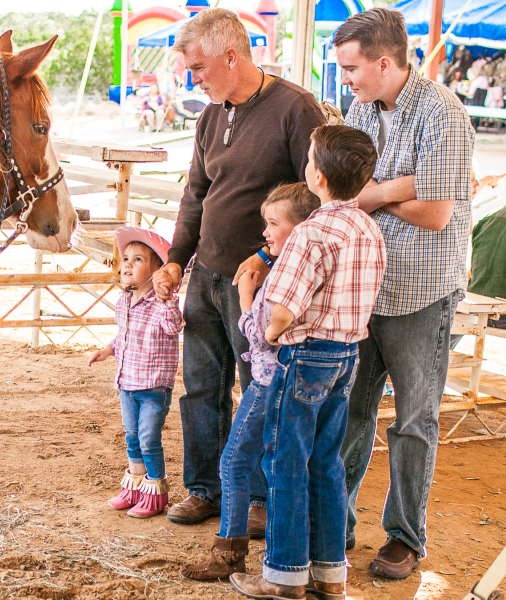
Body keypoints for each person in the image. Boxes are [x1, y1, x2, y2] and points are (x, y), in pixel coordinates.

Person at [152, 7, 326, 527]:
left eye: (199, 68)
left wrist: (270, 256)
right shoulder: (210, 115)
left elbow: (316, 200)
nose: (194, 79)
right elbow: (195, 195)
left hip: (261, 282)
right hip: (206, 274)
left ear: (232, 56)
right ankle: (205, 488)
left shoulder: (297, 109)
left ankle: (258, 498)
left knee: (260, 388)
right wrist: (177, 259)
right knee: (202, 386)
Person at [334, 8, 475, 579]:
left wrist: (376, 194)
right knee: (350, 412)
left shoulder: (445, 112)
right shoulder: (359, 109)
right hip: (366, 285)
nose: (345, 79)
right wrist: (405, 186)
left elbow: (438, 212)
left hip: (424, 288)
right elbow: (346, 186)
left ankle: (405, 536)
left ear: (384, 62)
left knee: (414, 420)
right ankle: (333, 520)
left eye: (351, 68)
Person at [230, 124, 385, 600]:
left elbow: (280, 309)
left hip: (303, 355)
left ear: (315, 174)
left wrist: (270, 335)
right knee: (325, 463)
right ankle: (328, 572)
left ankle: (284, 575)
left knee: (285, 463)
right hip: (345, 354)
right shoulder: (368, 227)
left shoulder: (312, 232)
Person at [179, 183, 320, 582]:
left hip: (267, 382)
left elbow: (261, 334)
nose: (266, 233)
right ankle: (308, 561)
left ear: (302, 227)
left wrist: (244, 296)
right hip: (299, 377)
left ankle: (231, 555)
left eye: (273, 224)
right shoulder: (308, 262)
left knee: (236, 461)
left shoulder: (280, 277)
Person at [88, 227, 184, 519]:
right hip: (127, 382)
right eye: (126, 258)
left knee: (148, 438)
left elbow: (173, 327)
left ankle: (155, 492)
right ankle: (134, 487)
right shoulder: (124, 302)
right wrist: (108, 350)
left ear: (158, 271)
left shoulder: (162, 304)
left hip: (153, 385)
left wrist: (167, 298)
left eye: (138, 259)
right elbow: (126, 336)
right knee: (132, 436)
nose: (127, 264)